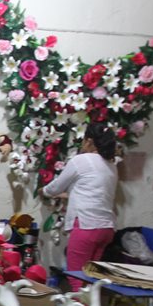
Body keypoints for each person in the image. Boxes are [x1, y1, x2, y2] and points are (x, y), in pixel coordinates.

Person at [42, 121, 118, 290]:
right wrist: (67, 195)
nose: (82, 145)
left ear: (89, 141)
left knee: (76, 277)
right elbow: (92, 191)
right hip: (106, 228)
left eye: (83, 141)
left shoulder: (81, 160)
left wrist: (44, 191)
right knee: (91, 279)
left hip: (87, 226)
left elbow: (56, 186)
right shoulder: (111, 165)